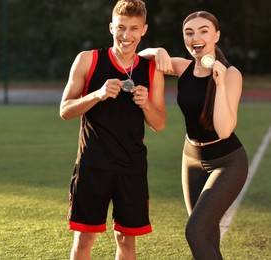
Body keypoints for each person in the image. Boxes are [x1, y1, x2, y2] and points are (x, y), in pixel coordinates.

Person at [59, 0, 166, 259]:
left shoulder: (151, 70)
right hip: (93, 163)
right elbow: (65, 110)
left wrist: (146, 104)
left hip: (132, 166)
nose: (126, 35)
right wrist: (97, 94)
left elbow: (159, 123)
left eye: (133, 28)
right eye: (120, 27)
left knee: (126, 241)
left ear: (144, 30)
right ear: (111, 27)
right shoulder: (88, 59)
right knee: (84, 239)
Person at [140, 11, 248, 260]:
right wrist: (158, 51)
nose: (195, 37)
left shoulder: (231, 75)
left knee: (195, 232)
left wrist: (219, 85)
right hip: (191, 159)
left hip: (227, 162)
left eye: (203, 31)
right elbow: (140, 57)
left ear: (216, 36)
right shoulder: (185, 67)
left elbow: (224, 129)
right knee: (208, 237)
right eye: (189, 32)